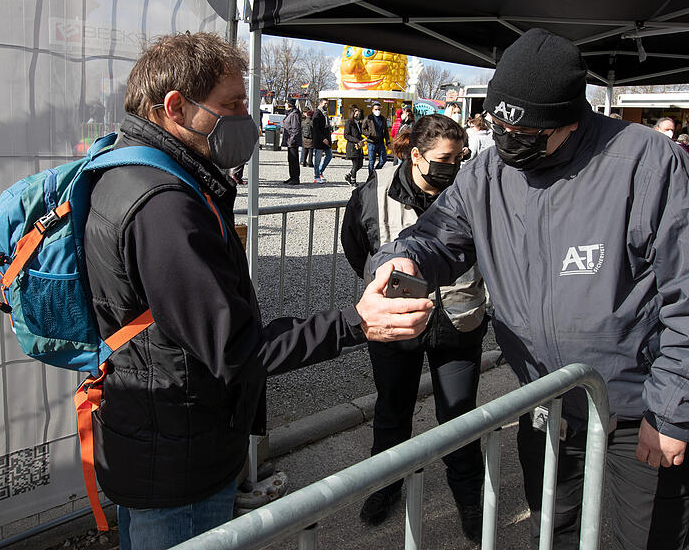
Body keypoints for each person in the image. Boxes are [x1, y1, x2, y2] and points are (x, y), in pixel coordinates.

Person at [369, 29, 689, 549]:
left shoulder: (650, 164)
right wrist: (397, 263)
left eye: (525, 131)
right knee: (554, 531)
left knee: (648, 539)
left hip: (638, 410)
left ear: (571, 118)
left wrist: (676, 412)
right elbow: (436, 236)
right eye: (499, 124)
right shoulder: (487, 173)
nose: (507, 140)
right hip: (545, 407)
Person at [83, 32, 433, 550]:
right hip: (178, 456)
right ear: (175, 107)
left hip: (162, 434)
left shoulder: (133, 167)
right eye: (233, 105)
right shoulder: (163, 205)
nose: (246, 117)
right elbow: (236, 347)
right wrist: (358, 321)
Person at [341, 114, 488, 542]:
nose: (454, 166)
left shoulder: (470, 192)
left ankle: (469, 498)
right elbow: (358, 249)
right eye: (445, 158)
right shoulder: (373, 194)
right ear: (417, 156)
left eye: (460, 157)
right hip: (397, 325)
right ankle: (385, 486)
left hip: (459, 321)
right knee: (392, 411)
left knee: (458, 416)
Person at [362, 101, 390, 173]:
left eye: (379, 109)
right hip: (371, 142)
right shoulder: (368, 118)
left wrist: (388, 142)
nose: (377, 111)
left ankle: (376, 172)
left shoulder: (383, 119)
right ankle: (371, 177)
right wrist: (369, 134)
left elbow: (386, 131)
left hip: (380, 142)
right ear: (372, 110)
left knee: (383, 160)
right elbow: (362, 129)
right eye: (376, 109)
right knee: (371, 161)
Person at [281, 98, 301, 185]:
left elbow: (295, 129)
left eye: (286, 104)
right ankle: (292, 176)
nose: (285, 105)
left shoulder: (294, 115)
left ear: (289, 105)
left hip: (292, 141)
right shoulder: (290, 114)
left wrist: (291, 140)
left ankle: (295, 178)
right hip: (290, 141)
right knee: (290, 159)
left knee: (294, 160)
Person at [312, 98, 333, 182]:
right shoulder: (317, 114)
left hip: (326, 140)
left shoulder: (325, 114)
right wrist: (322, 138)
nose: (326, 105)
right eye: (325, 103)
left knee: (329, 156)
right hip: (319, 140)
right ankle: (316, 175)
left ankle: (320, 171)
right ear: (320, 104)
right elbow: (316, 129)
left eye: (327, 104)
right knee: (317, 159)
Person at [343, 105, 365, 186]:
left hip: (358, 146)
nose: (358, 115)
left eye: (359, 114)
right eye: (356, 114)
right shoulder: (349, 122)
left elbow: (358, 135)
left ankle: (349, 175)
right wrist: (357, 140)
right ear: (353, 114)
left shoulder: (358, 123)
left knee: (360, 164)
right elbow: (346, 135)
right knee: (355, 164)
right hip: (352, 146)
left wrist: (362, 139)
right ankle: (353, 181)